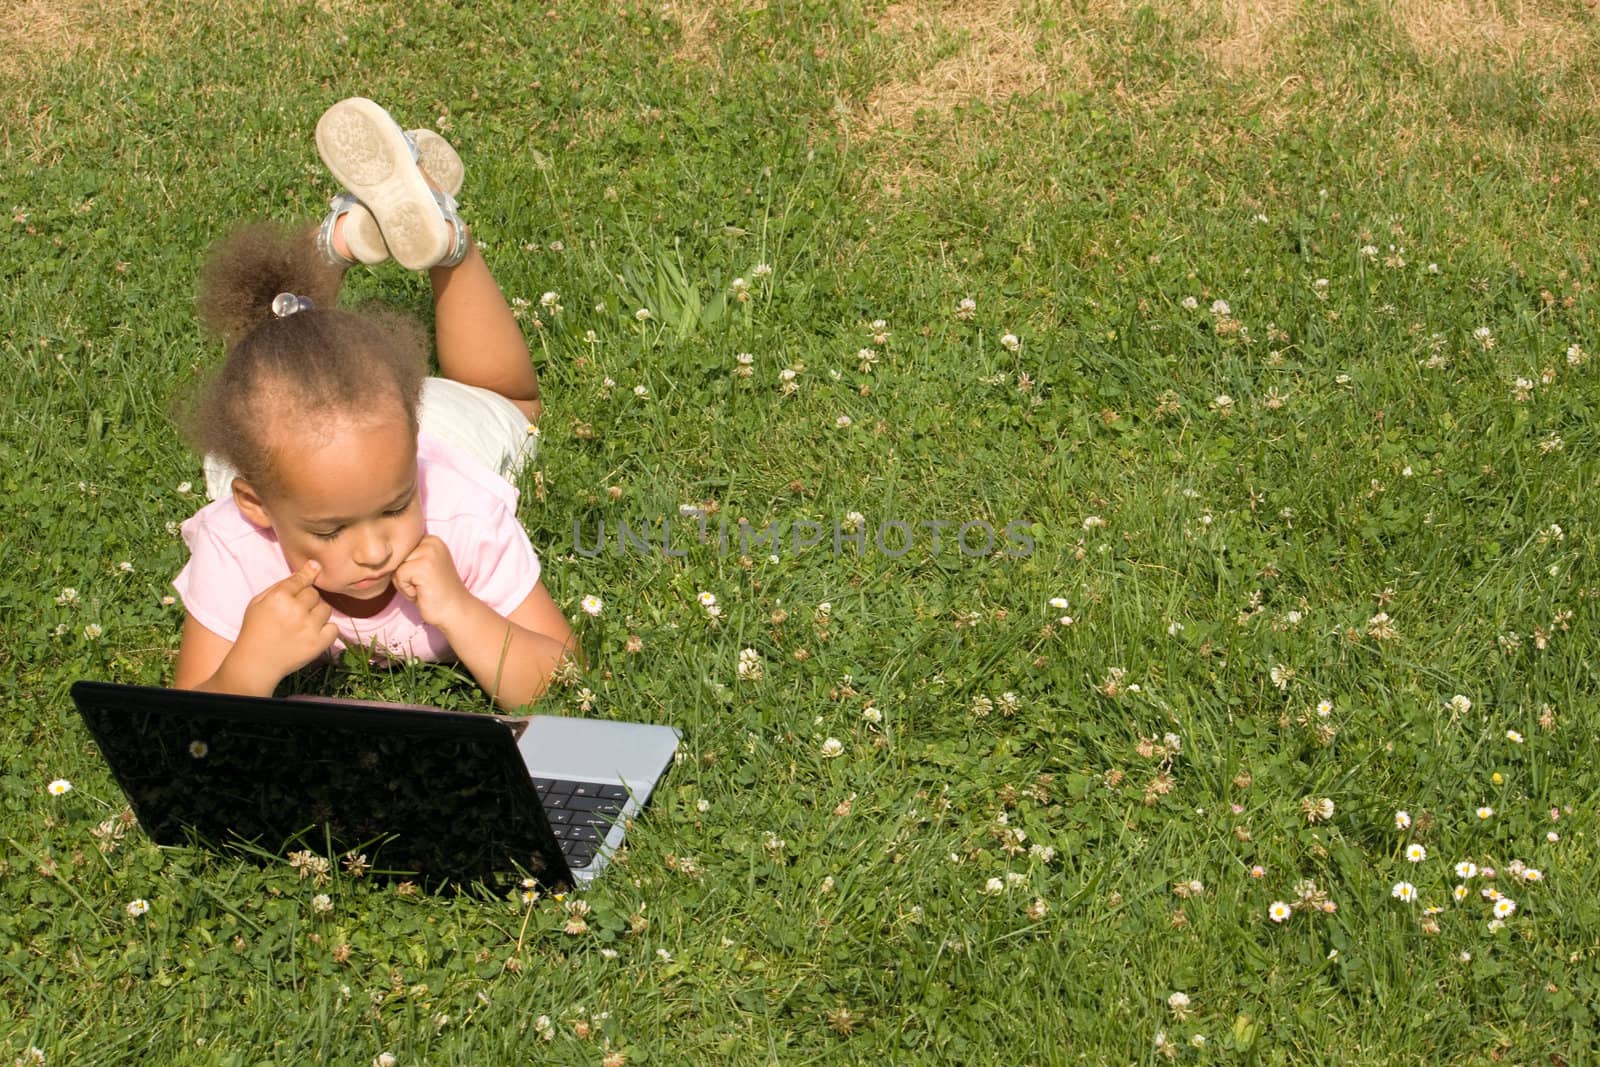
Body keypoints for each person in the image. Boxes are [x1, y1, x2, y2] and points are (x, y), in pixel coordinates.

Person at [171, 97, 575, 708]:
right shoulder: (239, 544)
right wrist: (248, 666)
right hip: (310, 453)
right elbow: (191, 719)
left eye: (394, 509)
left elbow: (562, 677)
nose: (373, 550)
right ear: (255, 507)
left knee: (509, 401)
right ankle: (342, 241)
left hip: (438, 428)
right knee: (271, 372)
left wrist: (462, 611)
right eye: (330, 530)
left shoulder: (458, 514)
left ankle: (446, 241)